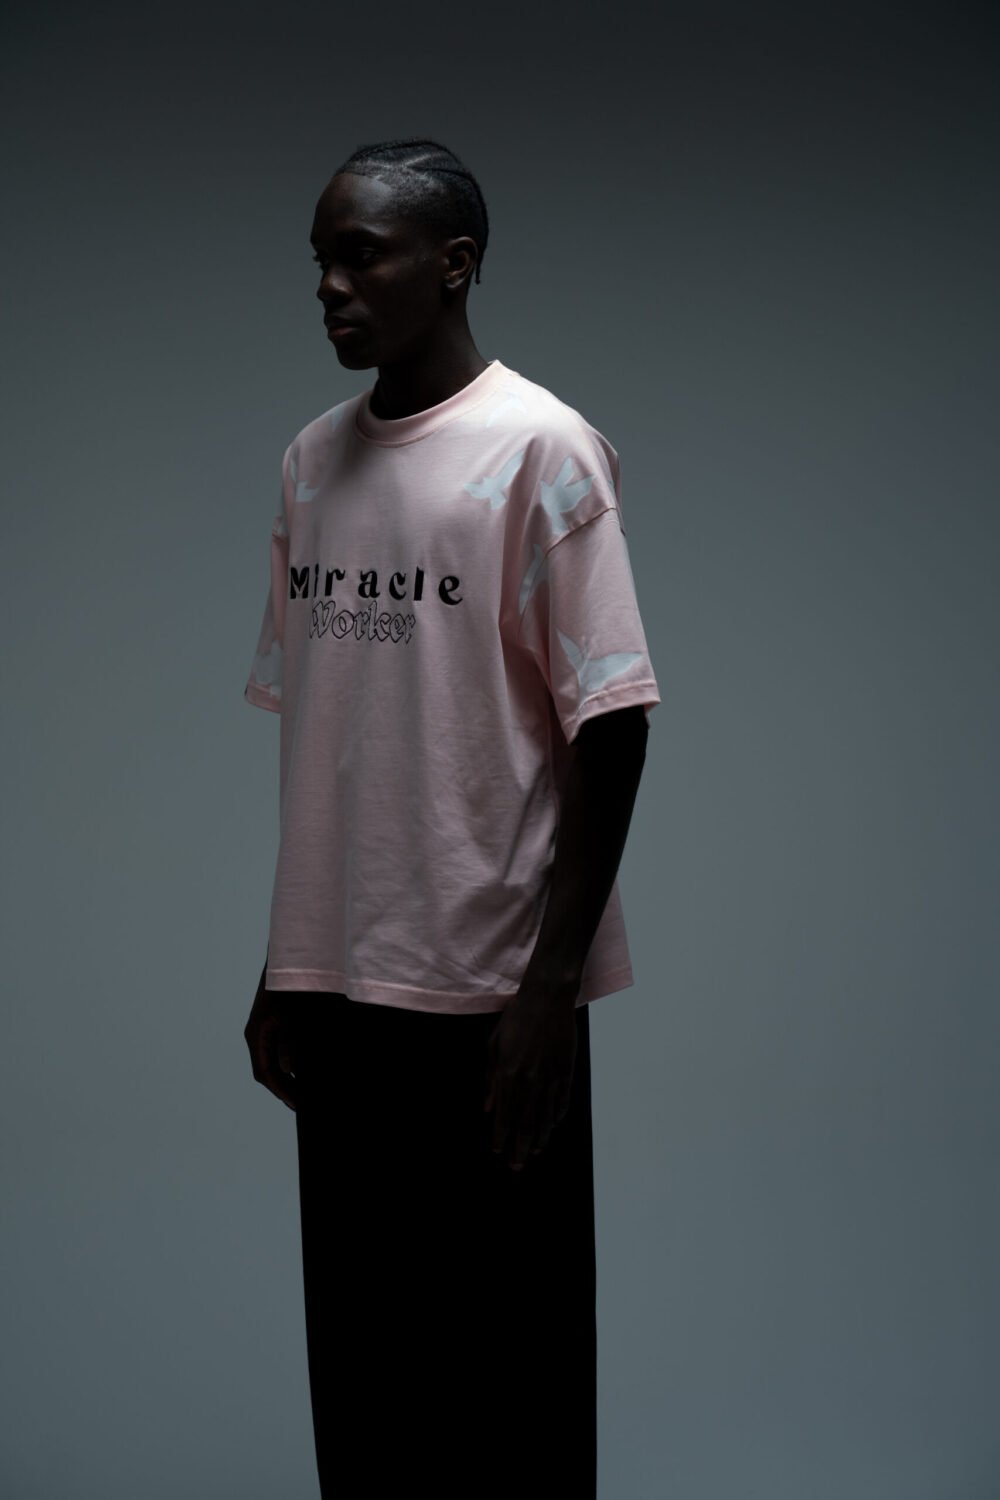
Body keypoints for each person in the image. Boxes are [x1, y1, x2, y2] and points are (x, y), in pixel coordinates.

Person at [242, 135, 660, 1499]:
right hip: (340, 994)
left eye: (360, 256)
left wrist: (548, 993)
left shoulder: (543, 450)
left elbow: (613, 724)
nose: (329, 286)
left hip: (491, 994)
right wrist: (282, 966)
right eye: (321, 260)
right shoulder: (311, 463)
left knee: (508, 1384)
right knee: (367, 1376)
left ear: (455, 263)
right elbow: (336, 738)